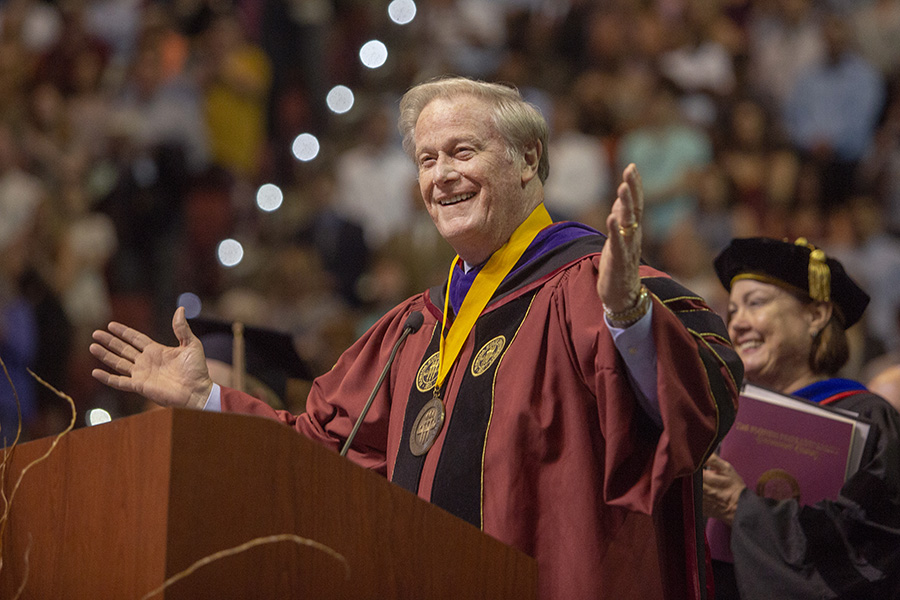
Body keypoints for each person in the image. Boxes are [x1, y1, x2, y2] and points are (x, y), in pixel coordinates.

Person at [90, 77, 741, 600]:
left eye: (462, 151)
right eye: (427, 160)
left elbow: (694, 410)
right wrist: (209, 399)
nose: (441, 176)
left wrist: (629, 315)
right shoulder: (410, 330)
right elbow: (320, 448)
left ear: (527, 160)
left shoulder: (592, 289)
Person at [703, 236, 900, 599]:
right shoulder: (721, 418)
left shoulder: (867, 418)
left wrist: (741, 507)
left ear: (815, 315)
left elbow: (871, 554)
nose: (737, 324)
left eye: (755, 304)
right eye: (732, 312)